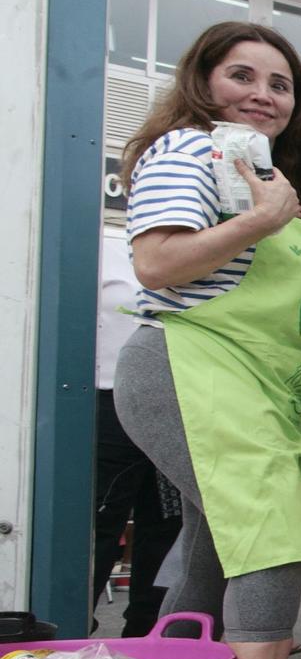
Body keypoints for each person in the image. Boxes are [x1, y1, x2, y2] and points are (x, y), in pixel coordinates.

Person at [113, 21, 301, 659]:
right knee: (273, 534)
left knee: (220, 546)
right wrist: (262, 220)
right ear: (203, 81)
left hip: (256, 390)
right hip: (188, 369)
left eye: (279, 83)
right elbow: (158, 261)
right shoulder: (190, 151)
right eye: (241, 74)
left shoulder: (269, 174)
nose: (262, 93)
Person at [93, 236, 180, 637]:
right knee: (103, 522)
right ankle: (74, 629)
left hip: (173, 401)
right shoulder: (100, 246)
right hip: (106, 401)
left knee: (166, 524)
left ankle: (148, 634)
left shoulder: (200, 248)